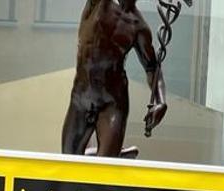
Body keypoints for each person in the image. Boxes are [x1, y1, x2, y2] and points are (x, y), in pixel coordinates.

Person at [62, 0, 168, 157]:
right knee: (67, 163)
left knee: (105, 169)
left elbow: (152, 67)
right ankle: (117, 155)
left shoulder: (138, 27)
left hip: (112, 102)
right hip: (81, 97)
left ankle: (114, 155)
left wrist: (161, 101)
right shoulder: (98, 3)